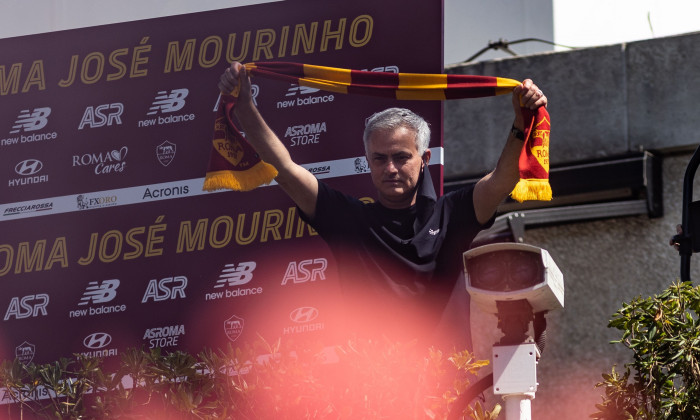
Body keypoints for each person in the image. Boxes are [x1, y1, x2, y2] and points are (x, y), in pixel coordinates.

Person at [218, 62, 548, 349]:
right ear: (368, 162)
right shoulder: (348, 219)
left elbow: (503, 179)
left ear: (424, 160)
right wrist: (245, 106)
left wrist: (522, 122)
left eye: (401, 157)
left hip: (449, 391)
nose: (390, 168)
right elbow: (286, 169)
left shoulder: (453, 213)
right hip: (372, 393)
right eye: (379, 159)